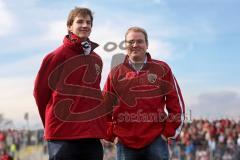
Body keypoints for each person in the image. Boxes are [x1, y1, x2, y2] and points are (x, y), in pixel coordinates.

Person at [33, 7, 107, 160]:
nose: (85, 25)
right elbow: (40, 93)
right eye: (80, 21)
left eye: (88, 22)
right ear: (69, 26)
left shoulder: (97, 59)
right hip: (63, 135)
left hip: (91, 135)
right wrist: (51, 122)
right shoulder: (56, 56)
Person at [104, 26, 185, 160]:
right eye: (131, 42)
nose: (135, 45)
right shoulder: (115, 73)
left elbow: (176, 105)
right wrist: (112, 135)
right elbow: (104, 109)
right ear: (125, 46)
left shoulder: (162, 69)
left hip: (156, 141)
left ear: (147, 45)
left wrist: (167, 133)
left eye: (140, 41)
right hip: (124, 144)